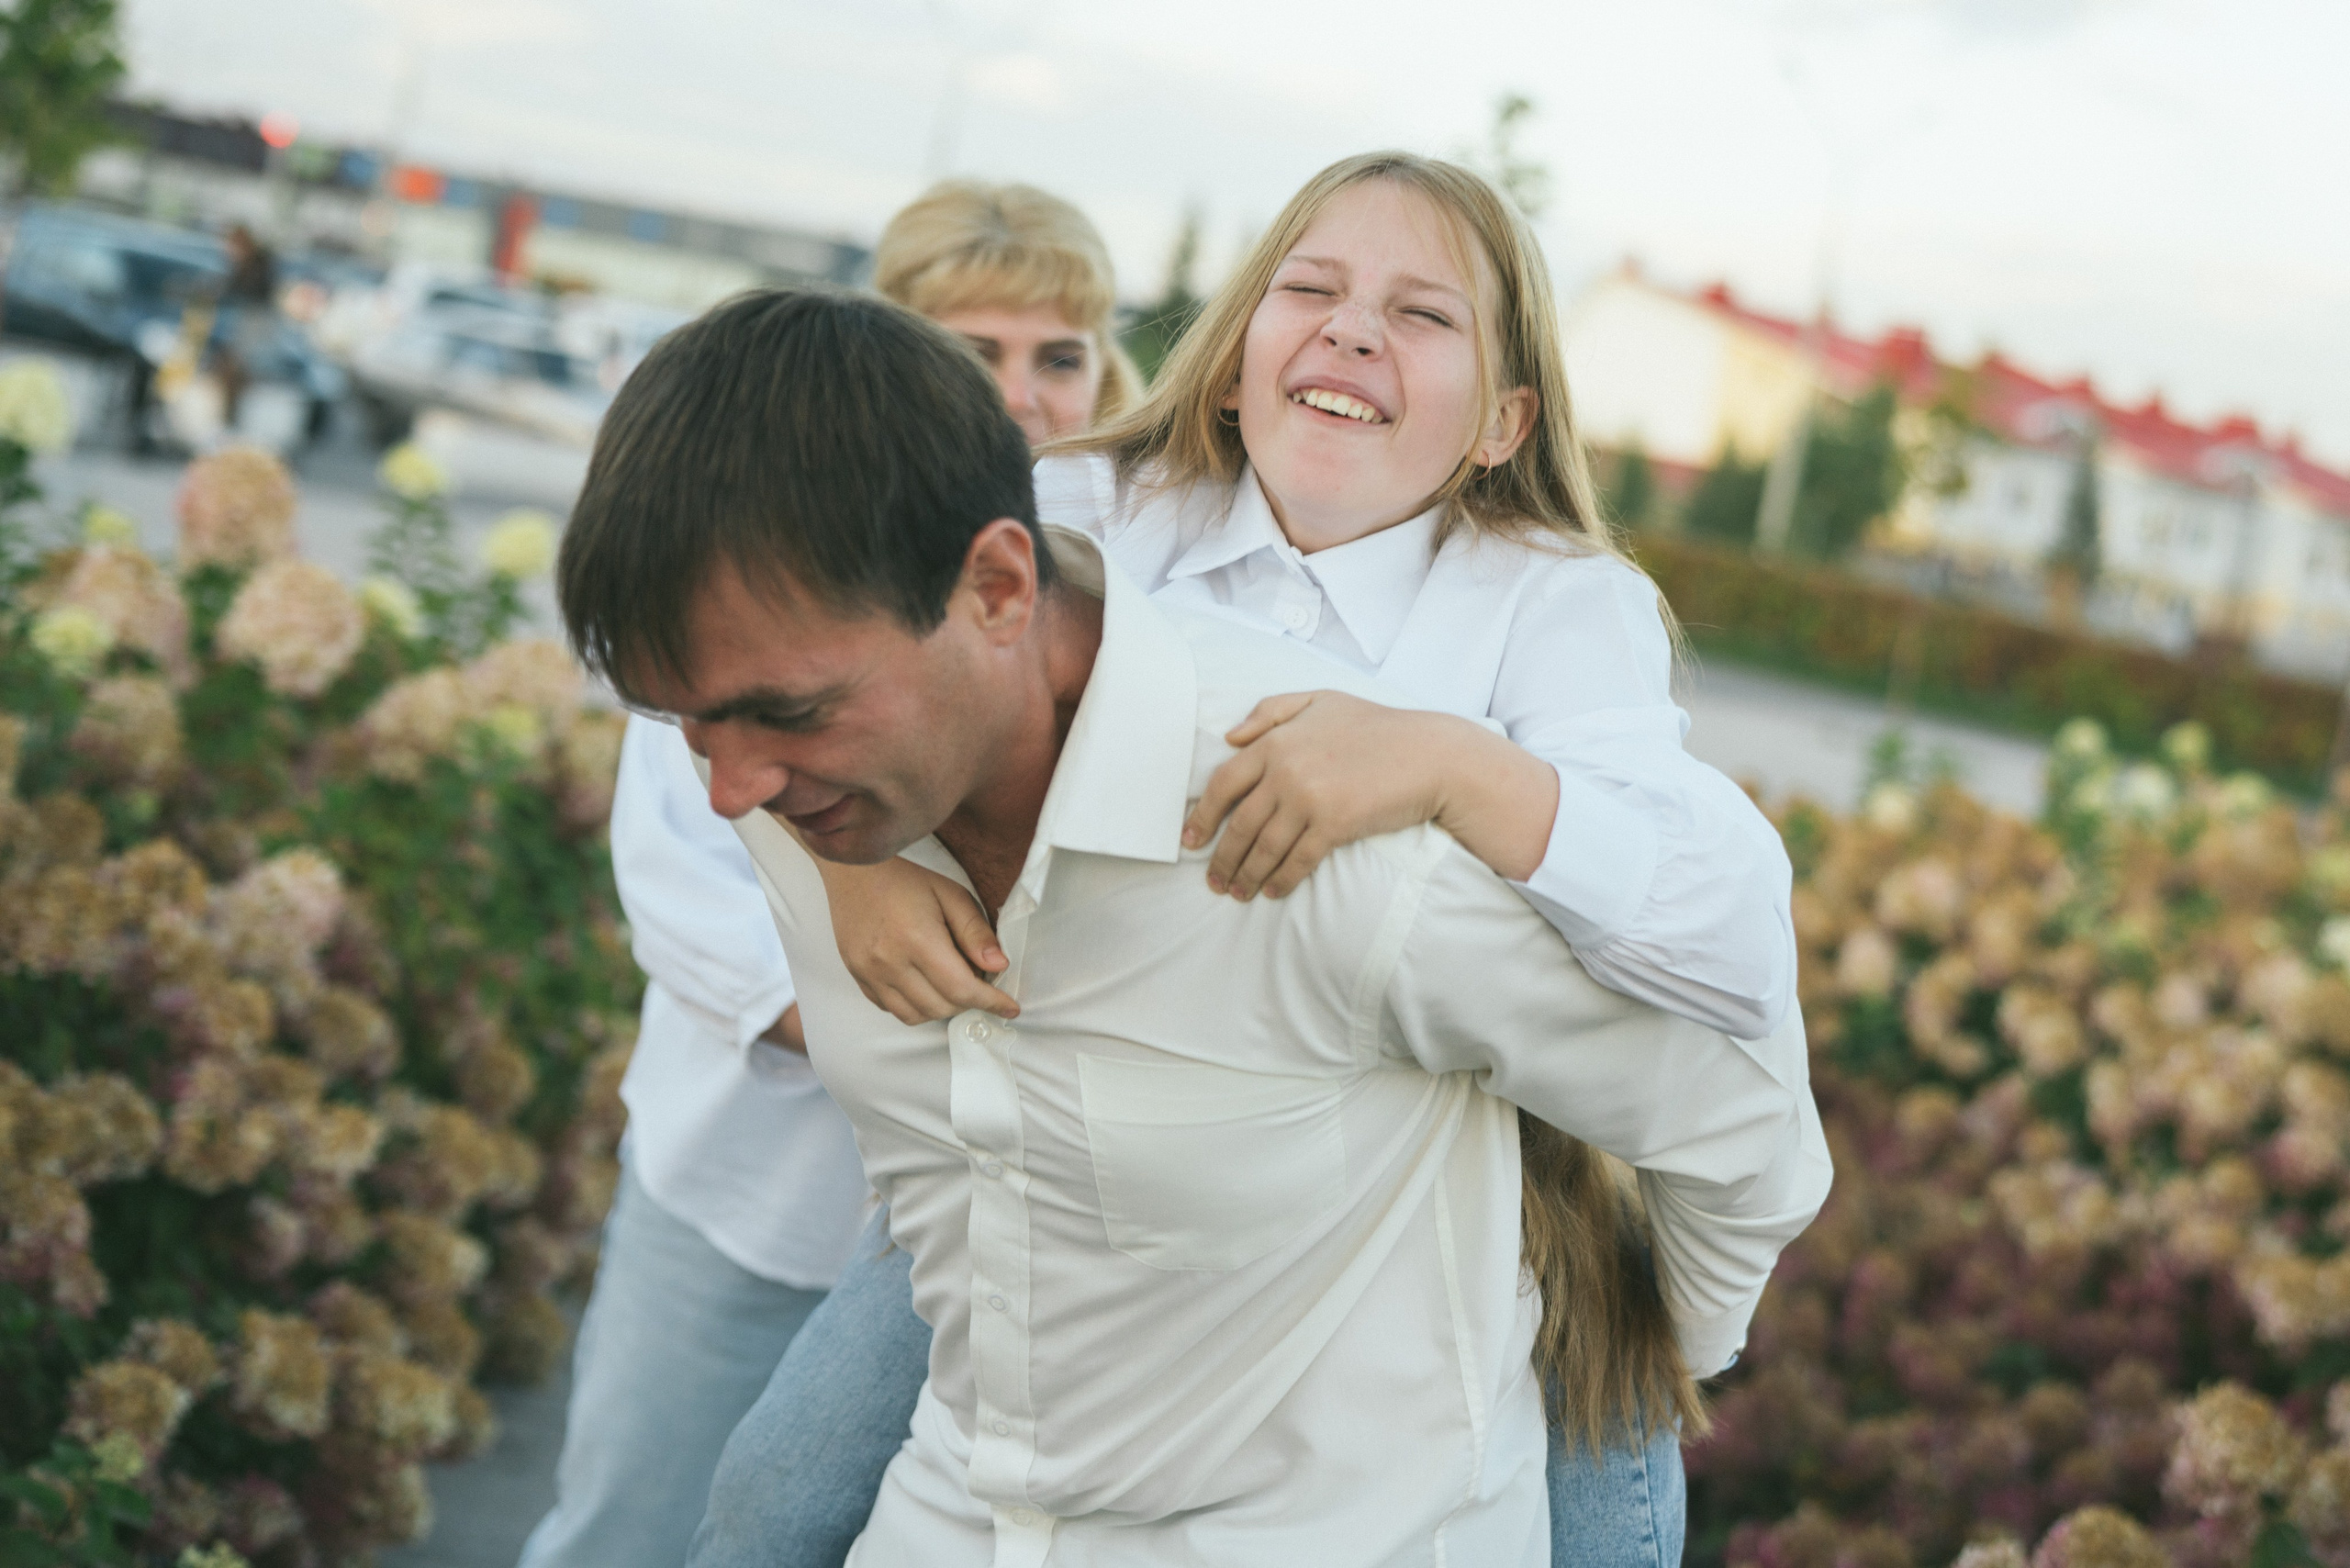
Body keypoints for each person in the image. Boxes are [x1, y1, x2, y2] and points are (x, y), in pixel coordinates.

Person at [556, 286, 1830, 1565]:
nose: (729, 791)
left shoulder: (1331, 817)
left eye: (787, 716)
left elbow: (1735, 1095)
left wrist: (1652, 1350)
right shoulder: (817, 786)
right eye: (686, 723)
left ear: (998, 590)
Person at [514, 182, 1134, 1568]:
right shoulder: (746, 564)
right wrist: (850, 900)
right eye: (974, 354)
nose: (1022, 395)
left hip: (993, 1247)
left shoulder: (1122, 600)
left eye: (1059, 355)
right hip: (754, 1198)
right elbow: (685, 874)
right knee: (636, 1528)